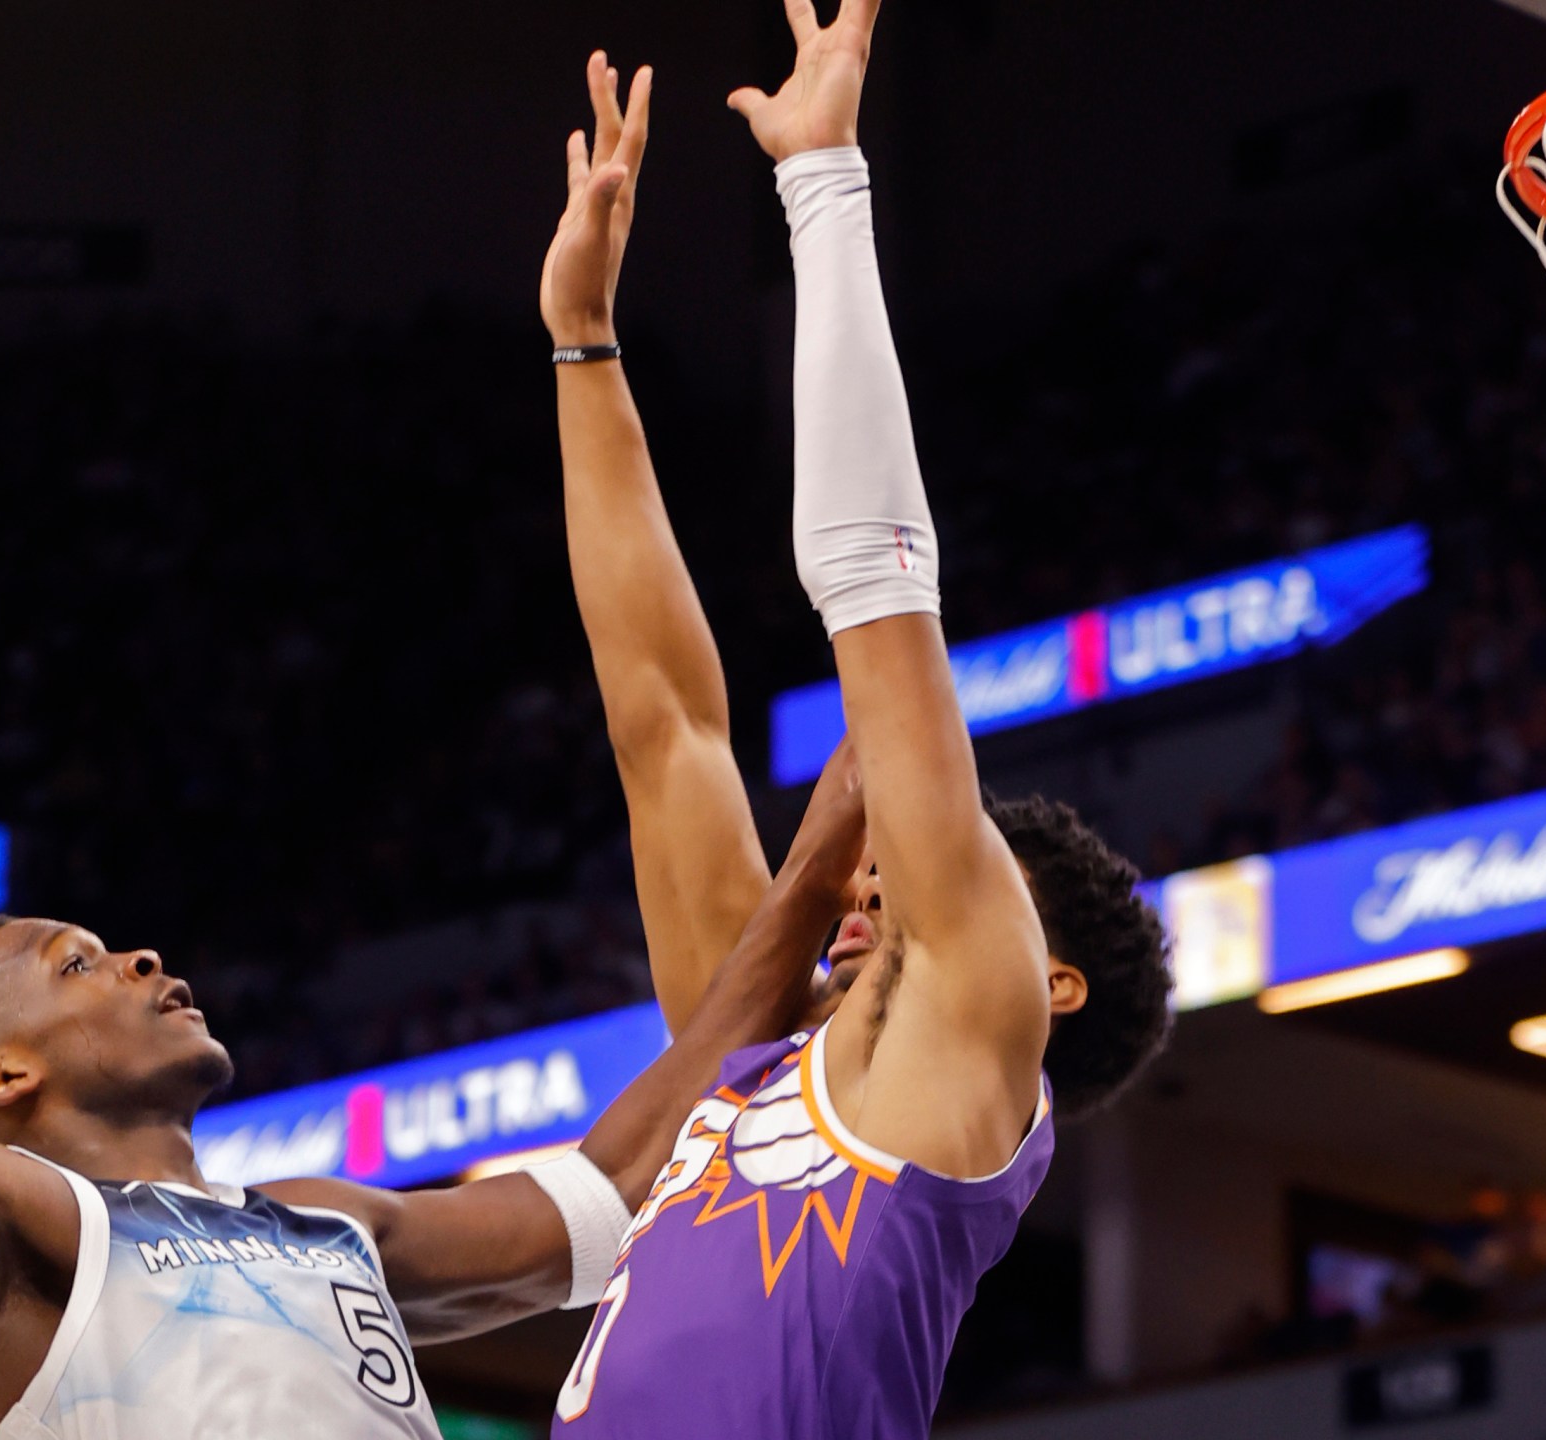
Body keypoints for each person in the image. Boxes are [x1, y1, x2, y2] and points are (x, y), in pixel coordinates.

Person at [0, 683, 867, 1440]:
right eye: (73, 961)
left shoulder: (329, 1224)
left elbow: (625, 1178)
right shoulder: (3, 1226)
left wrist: (813, 874)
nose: (136, 959)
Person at [536, 6, 1173, 1434]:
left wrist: (823, 185)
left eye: (918, 868)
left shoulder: (971, 1044)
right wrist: (583, 345)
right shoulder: (745, 1051)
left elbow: (878, 589)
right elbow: (666, 728)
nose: (866, 873)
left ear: (1044, 976)